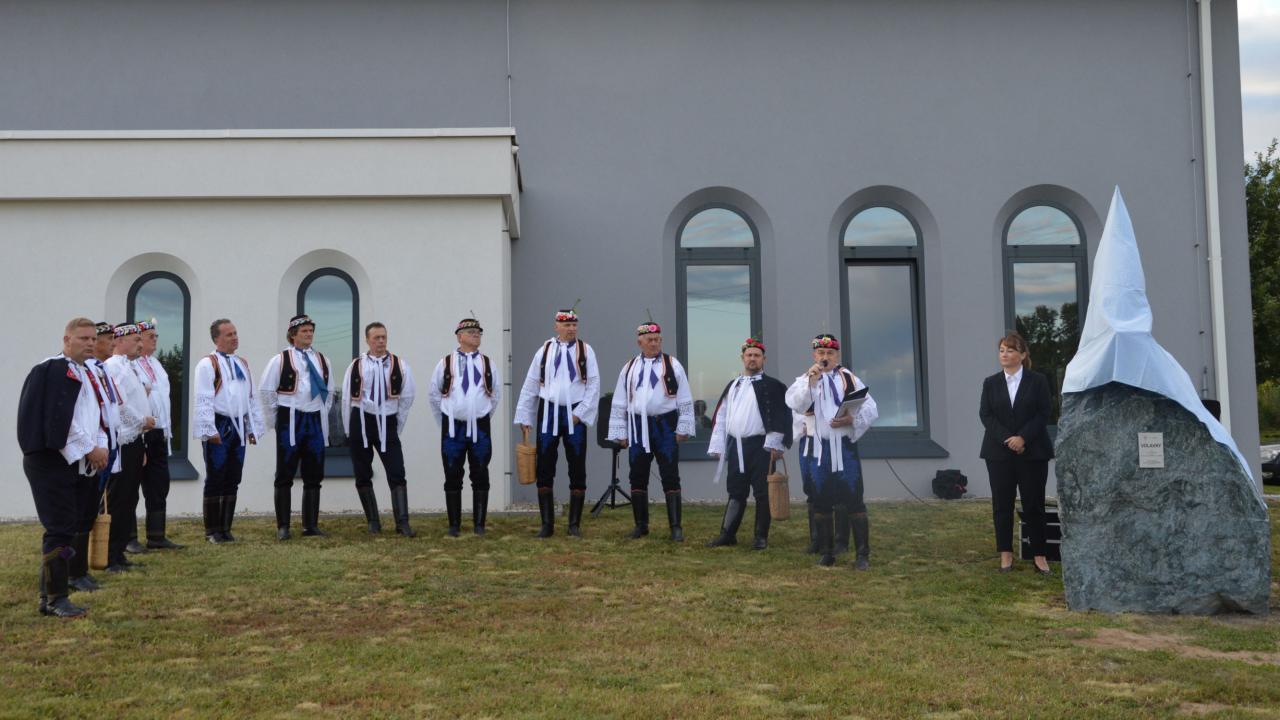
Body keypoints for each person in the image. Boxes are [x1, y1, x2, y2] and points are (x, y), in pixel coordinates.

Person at [18, 317, 108, 618]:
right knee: (59, 528)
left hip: (77, 462)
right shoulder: (52, 369)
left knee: (69, 527)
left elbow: (95, 417)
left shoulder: (88, 373)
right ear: (67, 340)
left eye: (93, 338)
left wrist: (101, 446)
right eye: (83, 338)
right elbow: (59, 419)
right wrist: (90, 448)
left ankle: (50, 594)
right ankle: (57, 598)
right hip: (50, 460)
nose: (90, 343)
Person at [785, 333, 878, 568]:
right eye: (821, 353)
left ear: (837, 356)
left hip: (844, 447)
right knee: (820, 498)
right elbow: (795, 404)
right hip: (817, 449)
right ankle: (827, 552)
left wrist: (851, 420)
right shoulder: (804, 379)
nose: (825, 357)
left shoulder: (849, 378)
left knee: (854, 497)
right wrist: (811, 383)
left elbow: (871, 408)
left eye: (830, 353)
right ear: (814, 355)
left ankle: (862, 555)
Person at [514, 307, 600, 537]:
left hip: (575, 413)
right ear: (557, 326)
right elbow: (531, 383)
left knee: (577, 466)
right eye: (567, 325)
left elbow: (593, 385)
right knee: (544, 466)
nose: (571, 329)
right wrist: (525, 415)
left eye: (574, 325)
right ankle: (547, 525)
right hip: (548, 412)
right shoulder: (544, 350)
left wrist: (580, 413)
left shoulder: (586, 350)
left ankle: (574, 525)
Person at [606, 320, 695, 541]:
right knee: (637, 474)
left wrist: (683, 427)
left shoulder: (673, 365)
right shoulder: (629, 368)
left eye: (657, 340)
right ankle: (641, 525)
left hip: (665, 425)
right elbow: (619, 401)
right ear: (640, 342)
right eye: (650, 340)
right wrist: (621, 432)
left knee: (670, 474)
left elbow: (684, 397)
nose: (654, 343)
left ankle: (676, 527)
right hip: (638, 426)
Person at [979, 330, 1054, 575]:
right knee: (1002, 504)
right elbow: (986, 415)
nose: (1004, 354)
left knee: (1034, 504)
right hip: (998, 453)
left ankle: (1039, 555)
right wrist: (1007, 439)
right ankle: (1005, 554)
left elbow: (1044, 412)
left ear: (1022, 355)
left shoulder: (1038, 381)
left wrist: (1023, 437)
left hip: (1032, 451)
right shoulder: (990, 383)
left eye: (1010, 350)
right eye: (1001, 350)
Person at [705, 337, 791, 549]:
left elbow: (781, 416)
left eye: (757, 355)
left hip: (762, 447)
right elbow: (722, 416)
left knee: (763, 492)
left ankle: (761, 537)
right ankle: (727, 534)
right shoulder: (733, 385)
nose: (753, 359)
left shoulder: (774, 386)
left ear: (764, 359)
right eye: (749, 355)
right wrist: (718, 445)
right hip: (737, 447)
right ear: (742, 358)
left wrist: (775, 445)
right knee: (735, 491)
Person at [260, 314, 334, 540]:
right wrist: (276, 420)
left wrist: (321, 412)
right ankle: (283, 526)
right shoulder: (280, 360)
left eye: (311, 330)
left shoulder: (322, 359)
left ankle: (310, 525)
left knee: (314, 473)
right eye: (304, 331)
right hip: (290, 418)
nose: (309, 334)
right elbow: (266, 391)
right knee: (285, 472)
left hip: (314, 418)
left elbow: (329, 391)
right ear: (293, 335)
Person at [342, 321, 417, 537]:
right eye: (376, 338)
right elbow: (346, 399)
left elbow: (407, 398)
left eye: (384, 337)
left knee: (397, 471)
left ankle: (402, 522)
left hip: (387, 420)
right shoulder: (356, 365)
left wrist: (396, 426)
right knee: (362, 472)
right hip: (361, 420)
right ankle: (373, 522)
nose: (381, 341)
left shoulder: (399, 365)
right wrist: (349, 431)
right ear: (367, 340)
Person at [193, 319, 264, 543]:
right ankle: (212, 531)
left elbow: (250, 397)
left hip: (239, 425)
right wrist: (209, 429)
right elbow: (203, 398)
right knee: (216, 475)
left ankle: (225, 529)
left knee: (233, 476)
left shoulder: (242, 363)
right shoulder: (207, 364)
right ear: (217, 339)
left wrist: (252, 427)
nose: (234, 337)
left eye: (235, 333)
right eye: (229, 334)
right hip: (219, 423)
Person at [429, 317, 500, 536]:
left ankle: (479, 525)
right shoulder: (445, 363)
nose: (476, 334)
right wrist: (447, 420)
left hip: (480, 427)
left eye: (478, 332)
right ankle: (454, 525)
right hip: (453, 427)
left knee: (481, 472)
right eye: (471, 332)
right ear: (459, 337)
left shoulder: (488, 363)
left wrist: (481, 414)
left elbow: (495, 394)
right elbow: (434, 394)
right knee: (452, 473)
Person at [70, 322, 125, 591]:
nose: (111, 342)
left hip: (106, 442)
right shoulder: (84, 370)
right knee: (80, 510)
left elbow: (109, 408)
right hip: (87, 448)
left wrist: (109, 442)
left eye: (97, 339)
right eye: (106, 338)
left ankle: (80, 568)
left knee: (91, 507)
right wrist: (93, 445)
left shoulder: (99, 369)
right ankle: (73, 571)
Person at [104, 323, 155, 571]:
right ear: (119, 341)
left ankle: (119, 551)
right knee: (119, 499)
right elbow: (119, 404)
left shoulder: (130, 367)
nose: (140, 344)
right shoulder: (113, 366)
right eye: (136, 339)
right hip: (122, 442)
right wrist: (141, 421)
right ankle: (109, 554)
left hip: (134, 440)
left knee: (129, 498)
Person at [132, 319, 182, 550]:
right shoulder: (131, 365)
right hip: (140, 432)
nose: (155, 339)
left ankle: (156, 535)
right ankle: (129, 538)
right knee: (131, 486)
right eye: (150, 336)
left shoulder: (156, 364)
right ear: (138, 339)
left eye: (156, 336)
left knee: (159, 485)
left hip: (159, 432)